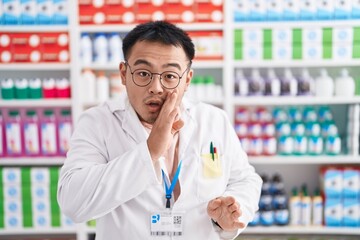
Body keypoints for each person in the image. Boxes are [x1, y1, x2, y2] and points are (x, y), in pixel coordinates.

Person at [57, 21, 262, 240]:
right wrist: (150, 150)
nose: (156, 87)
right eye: (143, 73)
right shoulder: (97, 122)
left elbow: (245, 180)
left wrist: (231, 211)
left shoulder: (213, 120)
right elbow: (73, 203)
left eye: (170, 76)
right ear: (124, 74)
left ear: (187, 80)